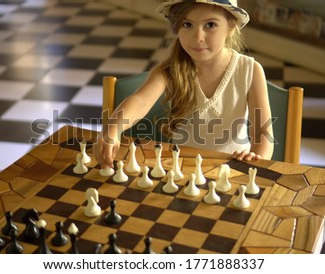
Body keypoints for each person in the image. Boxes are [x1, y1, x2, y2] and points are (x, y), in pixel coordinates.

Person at [94, 0, 274, 169]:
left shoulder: (250, 70)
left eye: (210, 25)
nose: (197, 37)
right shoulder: (170, 68)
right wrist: (112, 128)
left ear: (231, 26)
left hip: (233, 170)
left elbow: (263, 137)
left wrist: (254, 162)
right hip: (181, 168)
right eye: (187, 24)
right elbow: (140, 101)